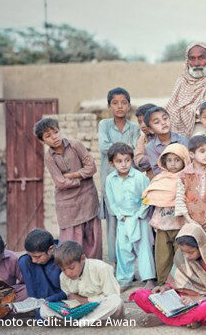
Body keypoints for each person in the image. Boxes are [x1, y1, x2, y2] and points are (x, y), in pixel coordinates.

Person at [130, 224, 206, 328]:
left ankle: (162, 318)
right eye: (184, 252)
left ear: (200, 247)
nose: (187, 256)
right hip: (179, 299)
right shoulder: (180, 255)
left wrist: (197, 299)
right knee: (140, 294)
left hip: (200, 302)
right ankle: (186, 320)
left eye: (191, 252)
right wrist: (165, 288)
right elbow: (173, 281)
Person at [35, 118, 101, 259]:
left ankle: (93, 273)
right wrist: (80, 180)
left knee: (92, 238)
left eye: (56, 132)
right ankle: (73, 273)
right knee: (71, 241)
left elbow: (92, 167)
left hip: (88, 198)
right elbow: (60, 182)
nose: (54, 137)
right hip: (67, 205)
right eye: (48, 136)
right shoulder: (49, 157)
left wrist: (73, 175)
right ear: (43, 141)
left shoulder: (75, 145)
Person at [98, 87, 141, 263]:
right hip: (111, 181)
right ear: (109, 106)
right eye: (115, 103)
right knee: (113, 223)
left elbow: (136, 151)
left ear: (129, 105)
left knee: (132, 221)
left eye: (124, 102)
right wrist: (127, 148)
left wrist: (119, 149)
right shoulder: (104, 125)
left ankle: (133, 263)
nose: (120, 107)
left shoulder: (135, 128)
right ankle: (116, 263)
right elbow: (103, 147)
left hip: (130, 181)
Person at [105, 143, 156, 291]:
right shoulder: (110, 180)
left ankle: (149, 279)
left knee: (144, 247)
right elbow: (111, 201)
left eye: (127, 160)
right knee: (123, 248)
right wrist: (121, 216)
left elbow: (147, 198)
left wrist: (140, 214)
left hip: (140, 218)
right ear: (111, 163)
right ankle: (124, 280)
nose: (124, 164)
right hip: (123, 219)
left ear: (132, 160)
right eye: (119, 161)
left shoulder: (140, 178)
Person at [39, 241, 124, 325]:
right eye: (63, 269)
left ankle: (81, 322)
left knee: (116, 301)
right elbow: (70, 298)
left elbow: (112, 295)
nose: (68, 273)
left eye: (71, 268)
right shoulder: (63, 276)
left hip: (99, 307)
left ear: (82, 258)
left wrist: (85, 300)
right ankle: (81, 321)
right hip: (79, 310)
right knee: (44, 309)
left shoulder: (102, 269)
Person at [142, 143, 191, 285]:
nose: (173, 164)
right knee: (162, 257)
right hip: (162, 225)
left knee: (180, 256)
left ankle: (181, 284)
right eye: (169, 160)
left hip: (180, 225)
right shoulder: (160, 178)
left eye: (177, 160)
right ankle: (163, 284)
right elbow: (150, 195)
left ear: (184, 161)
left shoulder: (187, 178)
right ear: (164, 162)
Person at [165, 42, 206, 137]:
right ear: (187, 61)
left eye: (201, 58)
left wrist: (186, 111)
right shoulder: (181, 82)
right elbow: (171, 109)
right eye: (192, 59)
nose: (197, 63)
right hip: (178, 130)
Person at [18, 229, 66, 313]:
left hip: (60, 298)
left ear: (51, 249)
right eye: (31, 256)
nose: (33, 260)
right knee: (24, 260)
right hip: (40, 300)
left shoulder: (65, 256)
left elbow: (70, 291)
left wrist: (48, 300)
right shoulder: (29, 261)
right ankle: (34, 305)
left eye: (38, 256)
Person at [144, 106, 189, 175]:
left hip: (184, 175)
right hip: (165, 178)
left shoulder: (182, 139)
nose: (163, 123)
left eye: (165, 118)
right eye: (157, 122)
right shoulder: (150, 147)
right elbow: (156, 170)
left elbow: (188, 162)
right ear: (151, 130)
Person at [134, 103, 157, 178]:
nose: (142, 125)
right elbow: (138, 161)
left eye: (145, 121)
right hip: (151, 180)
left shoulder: (166, 135)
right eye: (140, 122)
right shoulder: (143, 138)